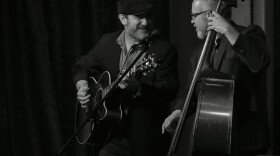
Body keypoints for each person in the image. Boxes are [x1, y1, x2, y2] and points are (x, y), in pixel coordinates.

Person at [162, 0, 270, 155]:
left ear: (210, 15)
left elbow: (259, 62)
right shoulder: (199, 53)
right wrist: (179, 110)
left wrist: (227, 29)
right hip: (212, 139)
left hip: (246, 141)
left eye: (194, 15)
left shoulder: (249, 34)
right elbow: (190, 90)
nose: (191, 20)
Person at [73, 0, 179, 155]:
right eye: (139, 17)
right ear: (123, 19)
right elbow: (82, 67)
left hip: (146, 139)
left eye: (148, 16)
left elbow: (169, 90)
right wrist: (82, 87)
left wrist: (138, 88)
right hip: (110, 135)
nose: (146, 22)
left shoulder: (163, 50)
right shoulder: (107, 42)